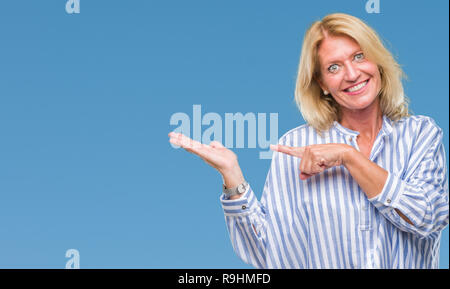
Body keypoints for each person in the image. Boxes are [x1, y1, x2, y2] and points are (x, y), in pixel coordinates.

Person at [168, 13, 449, 269]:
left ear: (377, 60)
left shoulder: (421, 135)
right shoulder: (296, 145)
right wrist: (232, 176)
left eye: (359, 56)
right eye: (334, 67)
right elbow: (268, 254)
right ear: (322, 83)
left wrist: (348, 156)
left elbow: (429, 217)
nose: (352, 74)